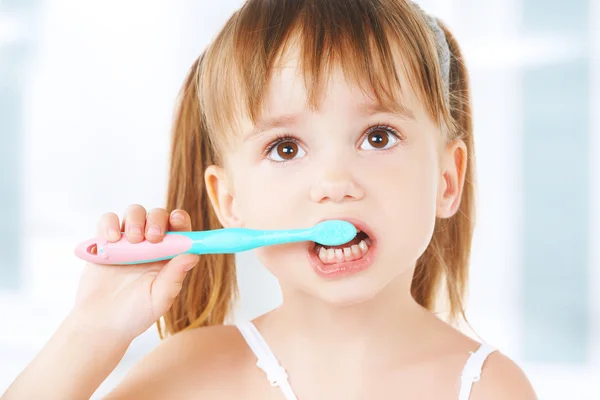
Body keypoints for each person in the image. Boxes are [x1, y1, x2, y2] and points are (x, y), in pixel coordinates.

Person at [2, 0, 538, 399]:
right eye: (286, 148)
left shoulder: (491, 388)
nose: (334, 181)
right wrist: (91, 331)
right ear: (229, 201)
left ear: (448, 179)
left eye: (378, 137)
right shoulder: (191, 374)